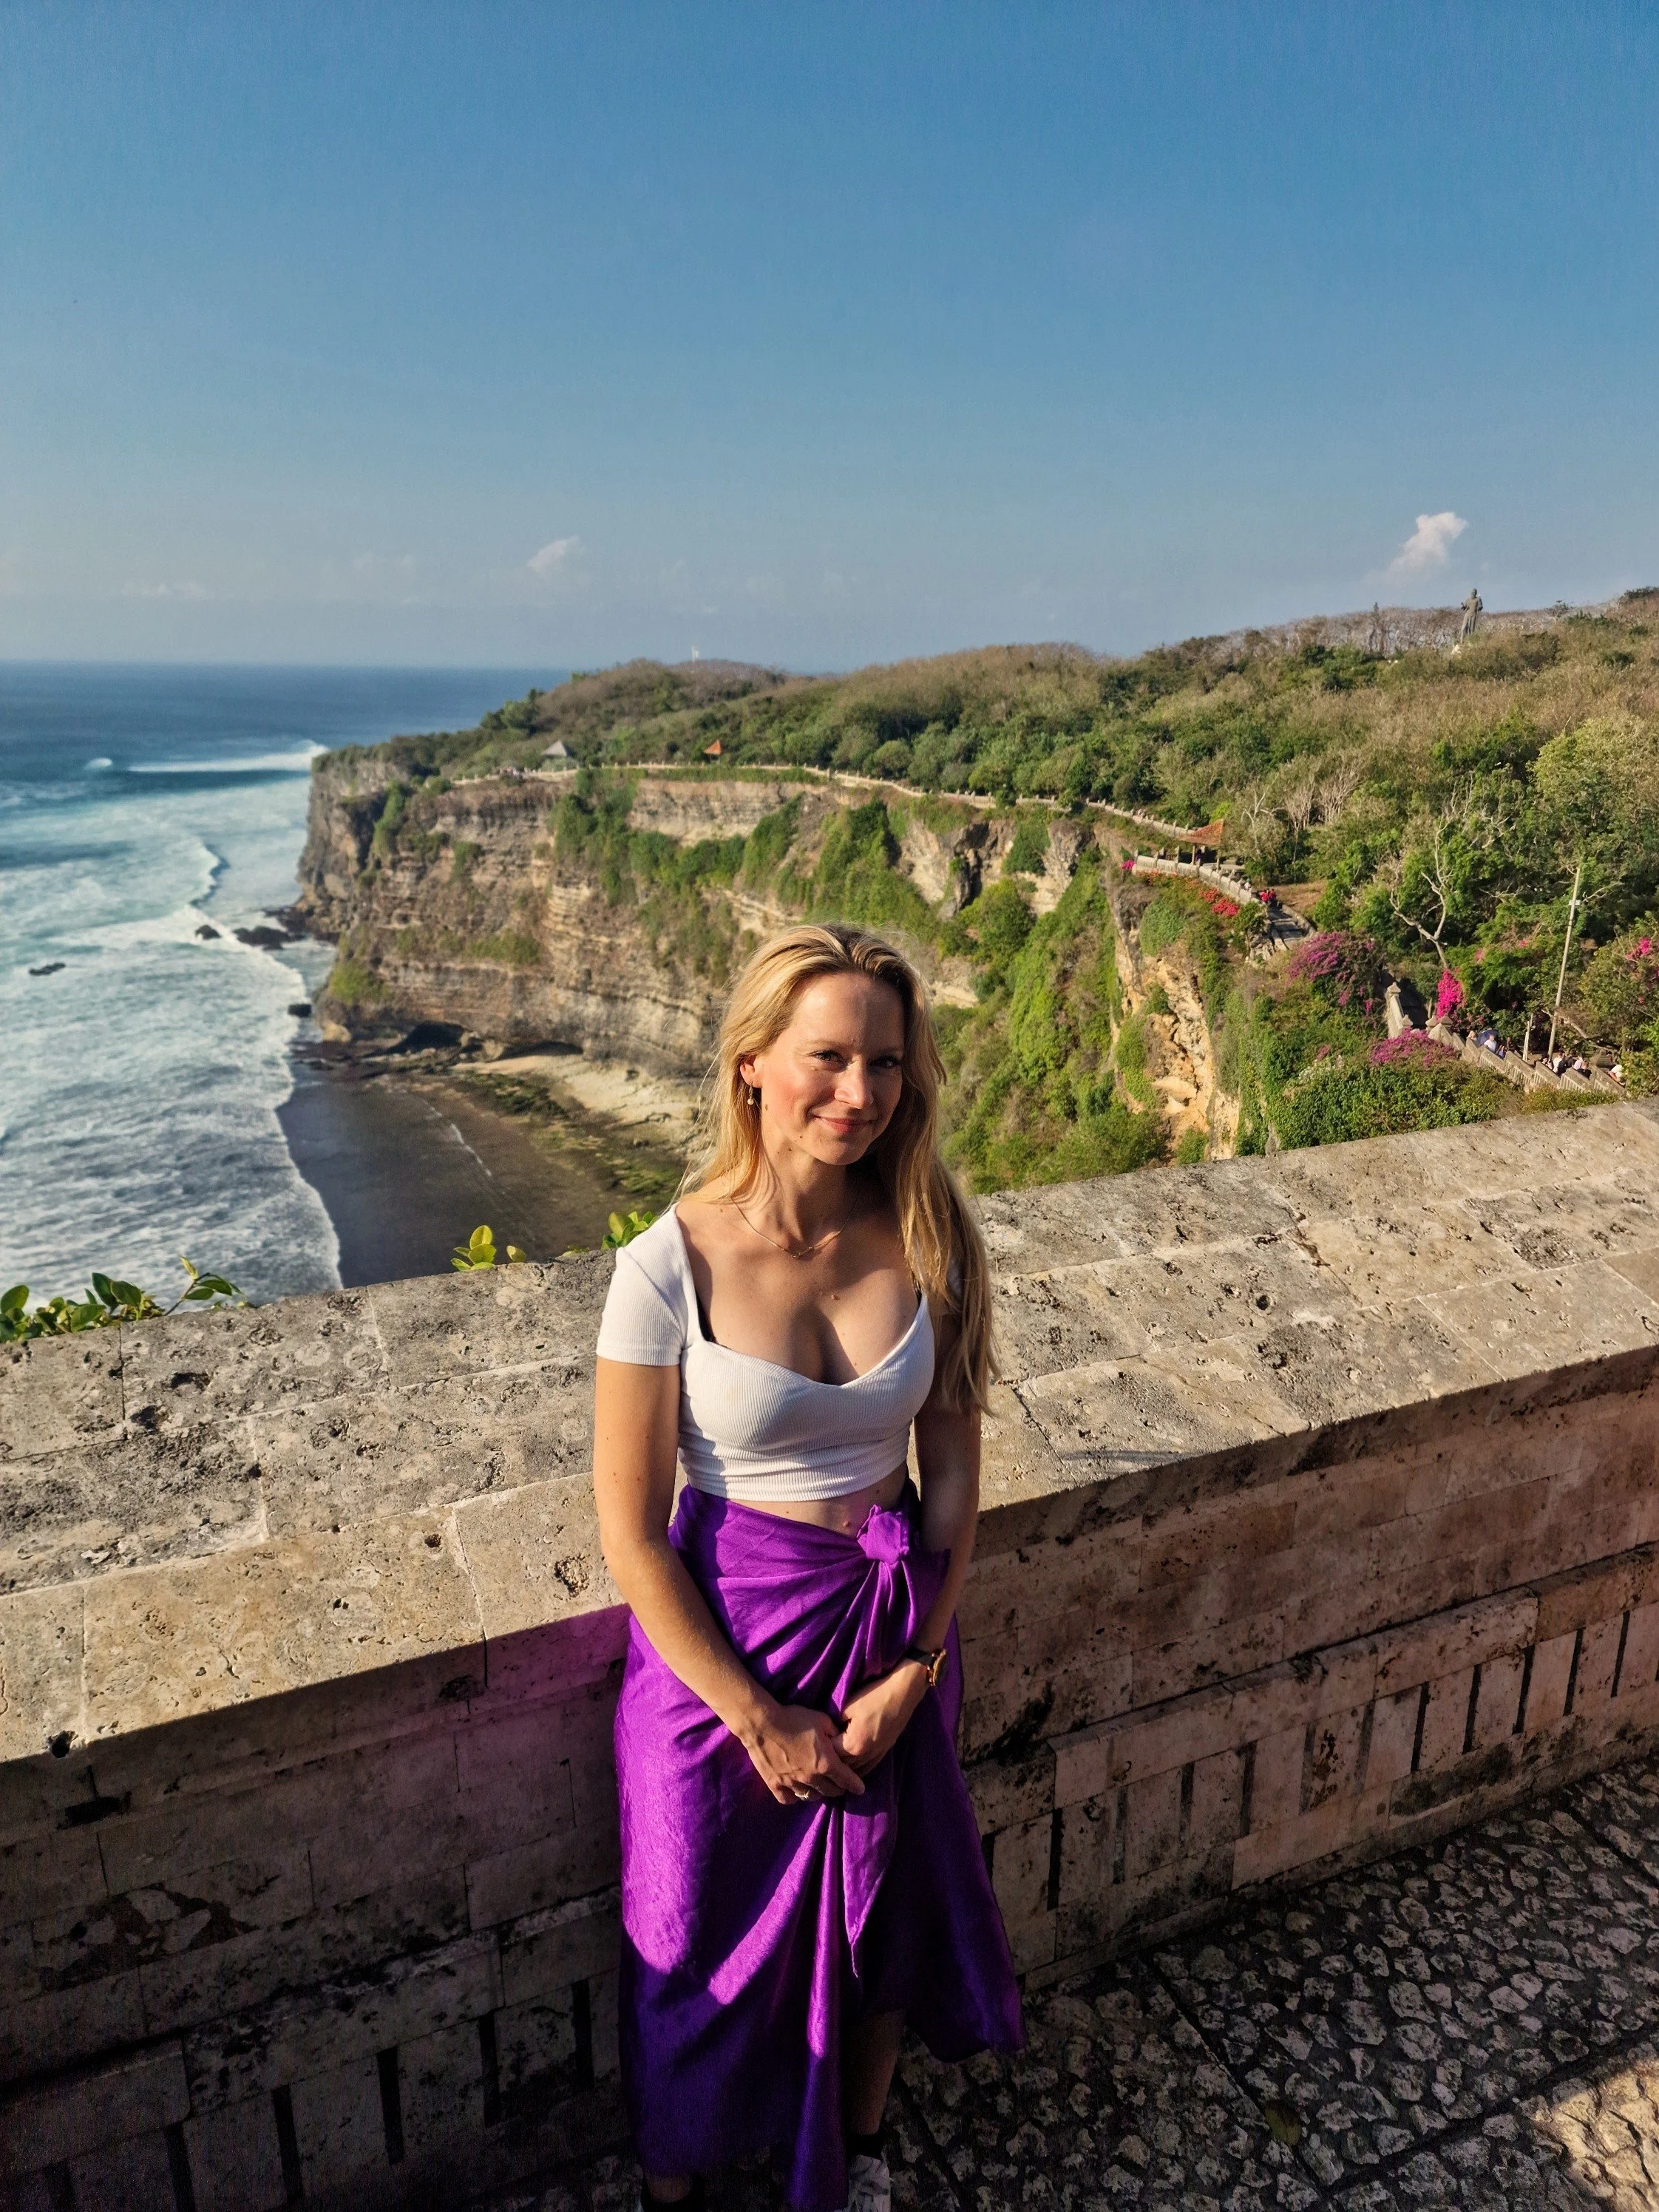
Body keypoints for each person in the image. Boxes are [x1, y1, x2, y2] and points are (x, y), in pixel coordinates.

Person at [593, 923, 1022, 2212]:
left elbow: (953, 1481)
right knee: (688, 1945)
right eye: (827, 1057)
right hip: (722, 1657)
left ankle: (864, 2152)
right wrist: (754, 1715)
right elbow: (632, 1531)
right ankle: (675, 2186)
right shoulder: (663, 1268)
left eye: (885, 1063)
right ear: (752, 1064)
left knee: (885, 1915)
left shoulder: (932, 1238)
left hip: (891, 1636)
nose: (859, 1091)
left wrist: (917, 1667)